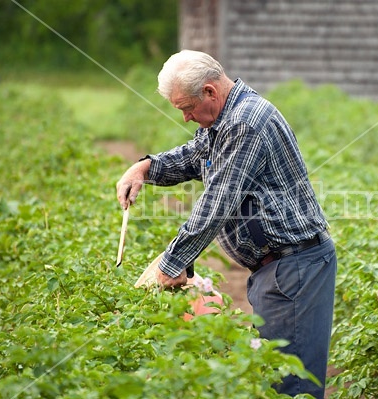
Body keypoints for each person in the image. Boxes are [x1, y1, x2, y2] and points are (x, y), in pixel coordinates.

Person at [116, 49, 337, 398]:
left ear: (209, 92)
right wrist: (145, 167)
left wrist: (171, 264)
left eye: (187, 108)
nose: (187, 118)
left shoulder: (245, 122)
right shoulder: (225, 118)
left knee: (291, 386)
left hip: (295, 268)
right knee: (275, 375)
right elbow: (193, 156)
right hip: (278, 268)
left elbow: (218, 201)